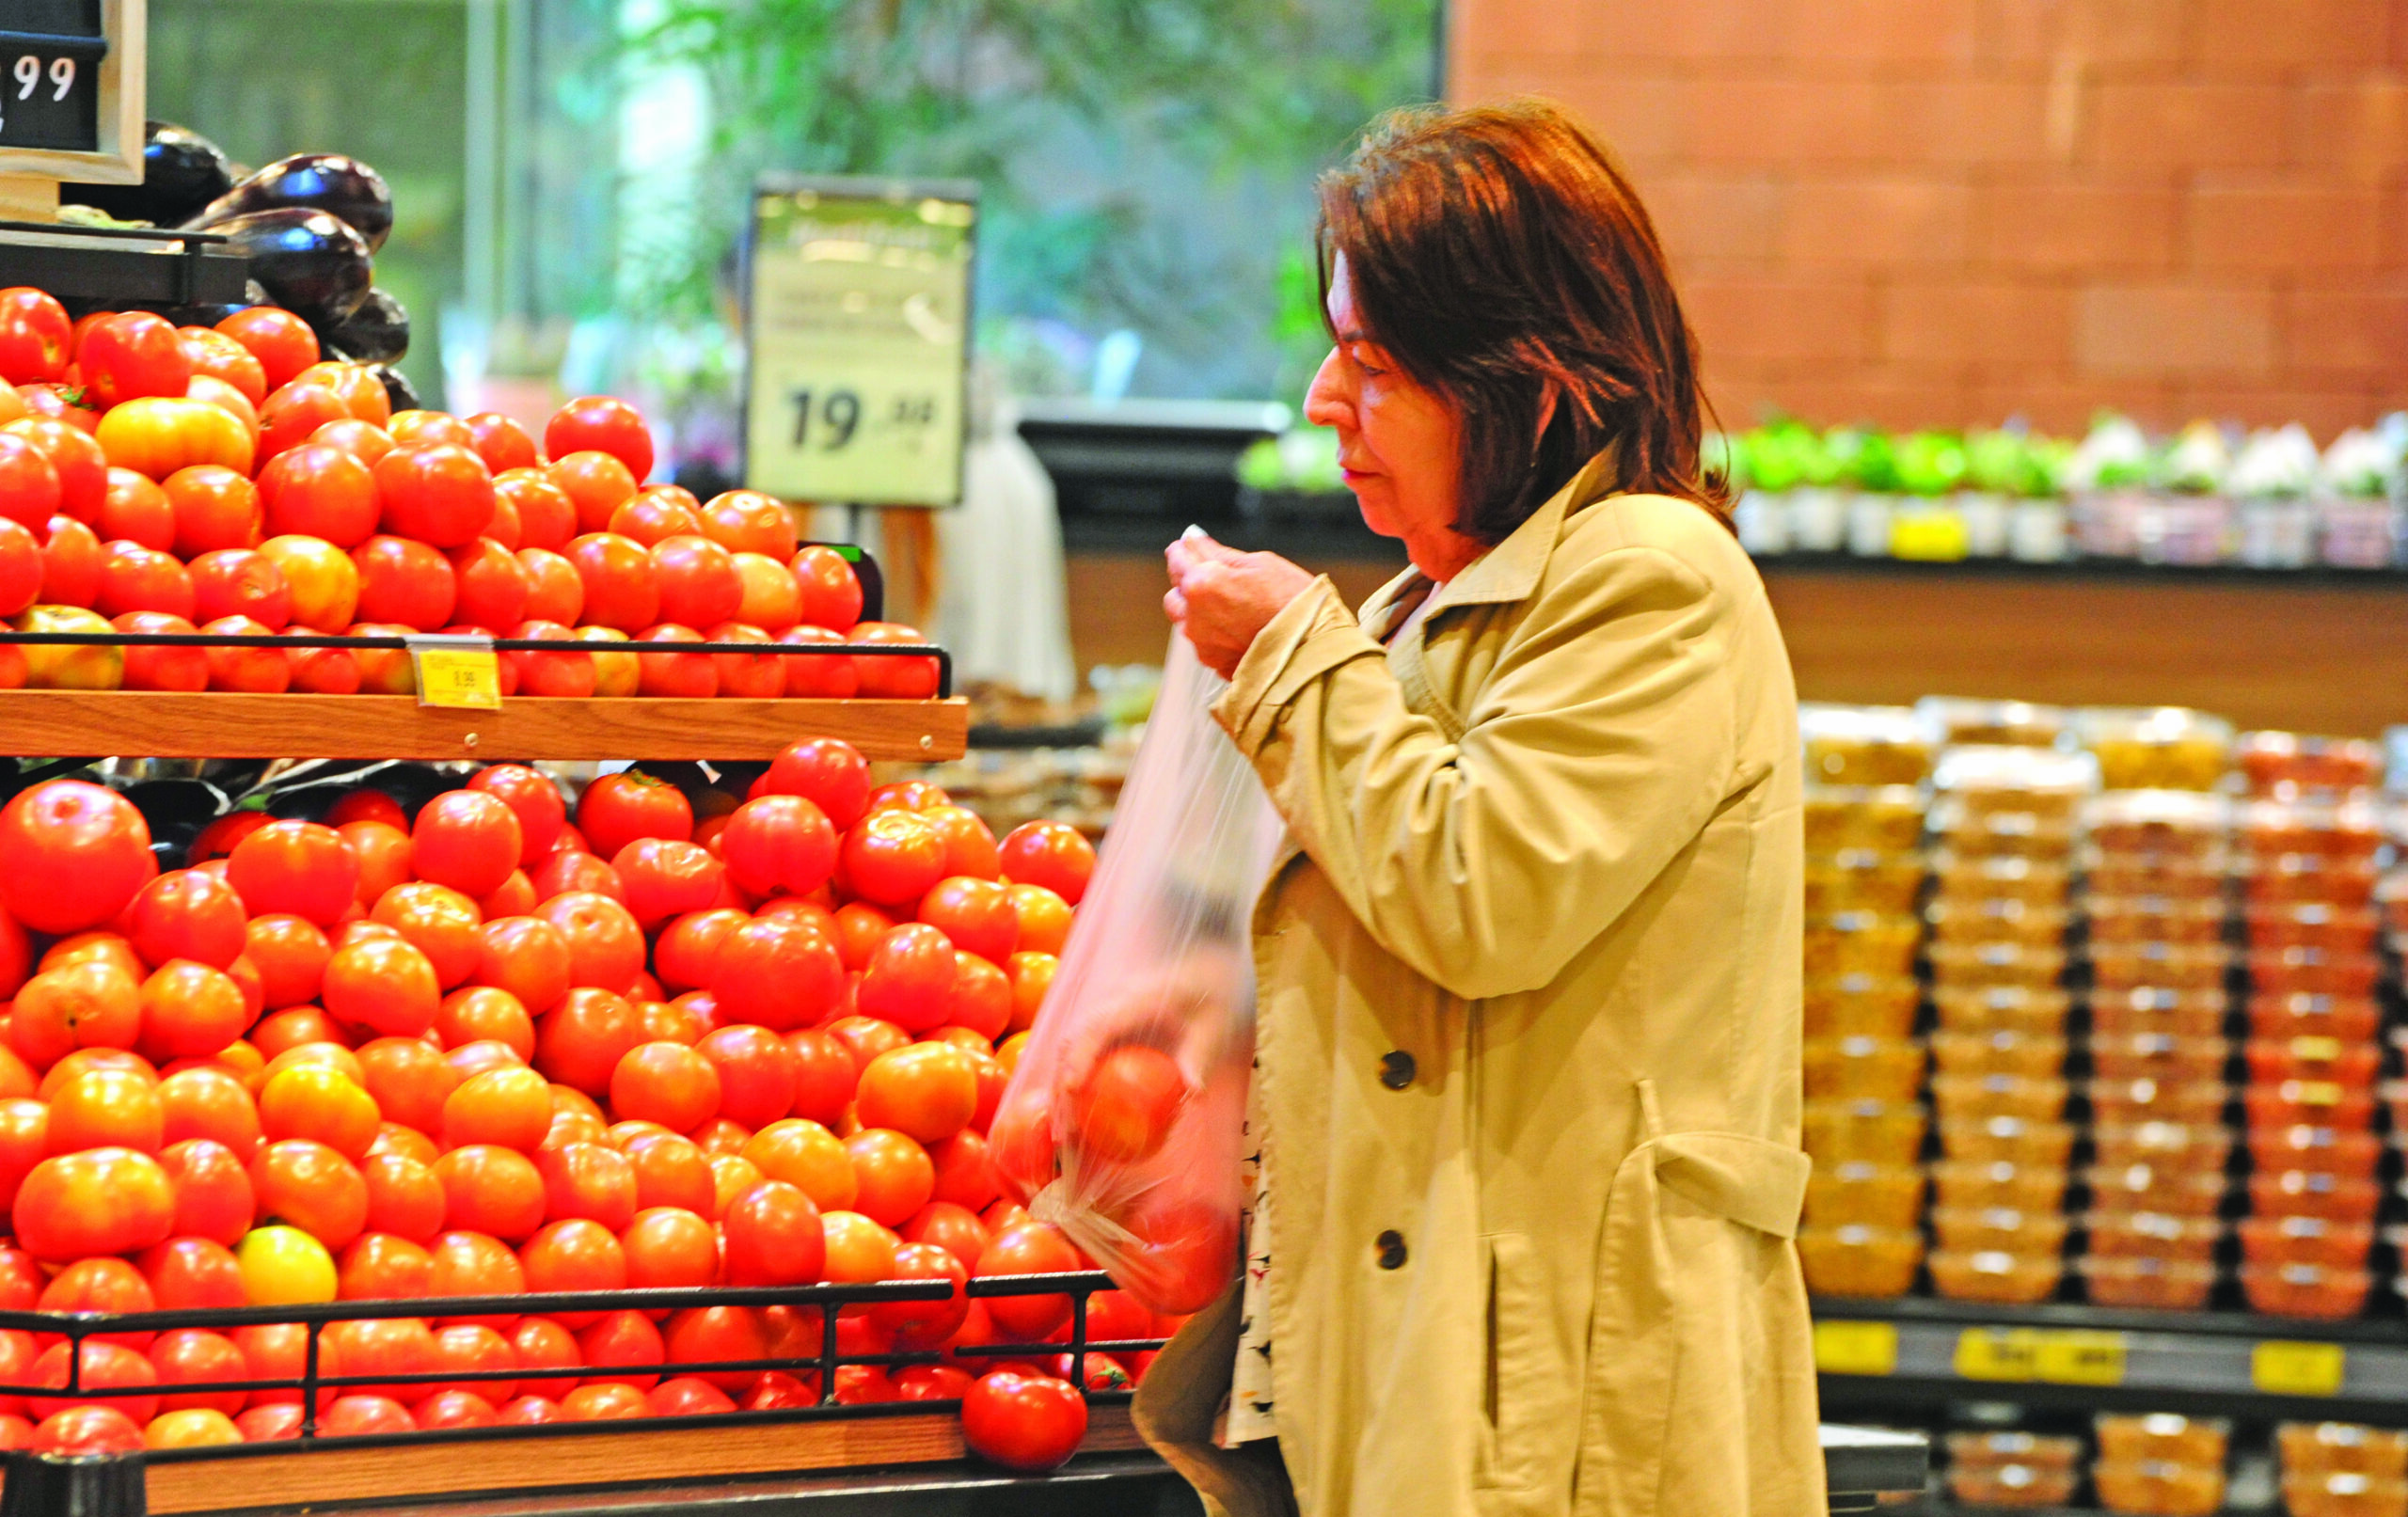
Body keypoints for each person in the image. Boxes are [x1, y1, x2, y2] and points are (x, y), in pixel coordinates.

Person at [1133, 100, 1823, 1517]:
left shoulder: (1654, 576)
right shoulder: (1430, 607)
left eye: (1373, 364)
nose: (1327, 400)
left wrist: (1283, 656)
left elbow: (1478, 890)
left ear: (1528, 382)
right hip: (1429, 1367)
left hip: (1567, 1406)